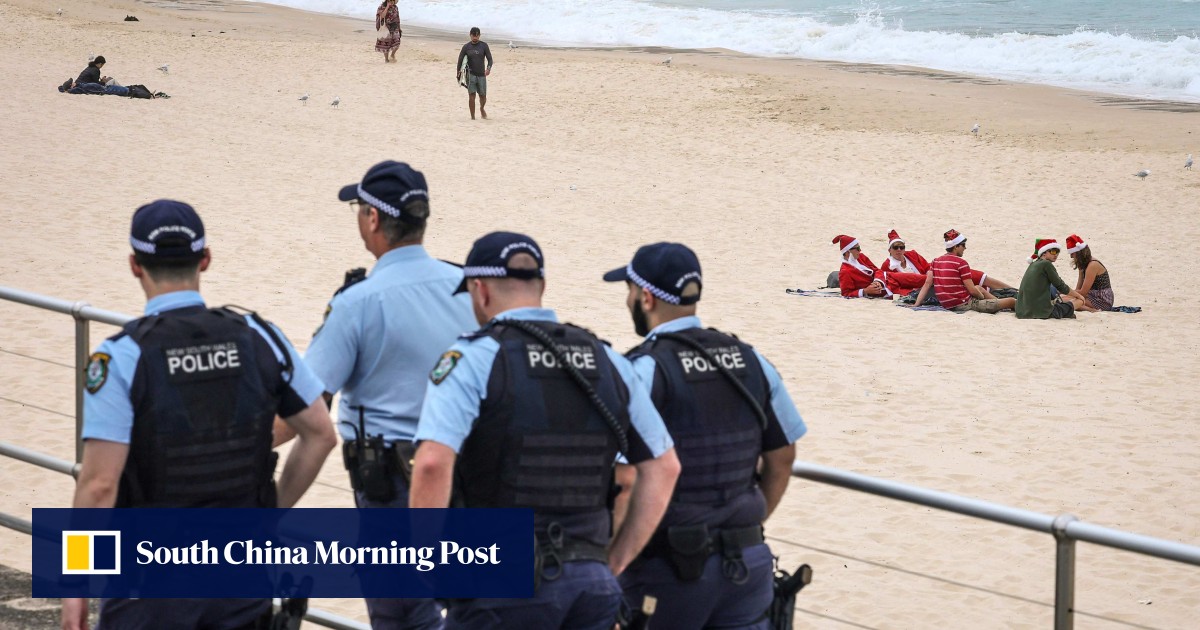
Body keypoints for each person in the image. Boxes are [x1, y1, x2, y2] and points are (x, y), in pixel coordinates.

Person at [61, 200, 337, 630]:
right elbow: (321, 434)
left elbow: (98, 485)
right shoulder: (261, 337)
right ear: (205, 259)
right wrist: (272, 512)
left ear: (135, 265)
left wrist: (75, 585)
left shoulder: (120, 357)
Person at [411, 231, 681, 630]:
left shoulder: (473, 358)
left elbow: (433, 463)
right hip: (590, 583)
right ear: (542, 286)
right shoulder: (608, 360)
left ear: (480, 290)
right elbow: (664, 466)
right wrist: (616, 561)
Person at [280, 160, 476, 629]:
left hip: (391, 486)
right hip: (467, 477)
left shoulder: (358, 302)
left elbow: (306, 408)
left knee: (402, 616)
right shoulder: (469, 288)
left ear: (372, 220)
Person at [603, 242, 807, 629]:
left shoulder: (644, 370)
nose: (628, 299)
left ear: (645, 298)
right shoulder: (750, 360)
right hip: (747, 566)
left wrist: (611, 562)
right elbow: (783, 458)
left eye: (629, 291)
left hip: (666, 570)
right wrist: (746, 525)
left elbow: (624, 481)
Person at [913, 229, 1015, 313]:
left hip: (947, 303)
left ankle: (999, 304)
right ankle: (1002, 305)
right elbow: (971, 290)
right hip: (963, 304)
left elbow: (927, 284)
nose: (965, 248)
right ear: (956, 246)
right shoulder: (961, 263)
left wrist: (916, 304)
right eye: (963, 245)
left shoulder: (935, 261)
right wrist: (980, 297)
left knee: (979, 288)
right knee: (1012, 301)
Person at [880, 229, 1014, 292]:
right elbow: (894, 284)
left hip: (933, 277)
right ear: (889, 250)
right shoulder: (887, 266)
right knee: (967, 281)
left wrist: (930, 275)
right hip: (925, 286)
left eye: (901, 247)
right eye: (895, 247)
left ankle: (1012, 290)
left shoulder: (912, 255)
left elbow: (927, 267)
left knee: (976, 276)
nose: (899, 250)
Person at [1016, 238, 1098, 319]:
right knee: (1080, 301)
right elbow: (1060, 286)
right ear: (1044, 253)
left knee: (1061, 298)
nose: (1056, 254)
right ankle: (1069, 312)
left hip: (1022, 311)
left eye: (1057, 252)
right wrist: (1079, 296)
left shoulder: (1033, 264)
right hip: (1041, 312)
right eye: (1053, 251)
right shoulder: (1046, 264)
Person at [832, 234, 925, 298]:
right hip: (884, 290)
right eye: (857, 248)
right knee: (914, 293)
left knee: (919, 279)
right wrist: (865, 291)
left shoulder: (861, 257)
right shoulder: (845, 271)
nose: (860, 250)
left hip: (888, 277)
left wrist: (878, 281)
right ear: (848, 251)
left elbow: (877, 270)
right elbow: (846, 293)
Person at [1066, 234, 1114, 311]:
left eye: (1072, 253)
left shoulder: (1092, 265)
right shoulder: (1083, 265)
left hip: (1102, 300)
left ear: (1079, 253)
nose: (1071, 256)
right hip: (1091, 296)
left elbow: (1083, 292)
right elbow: (1079, 288)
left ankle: (1091, 310)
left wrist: (1067, 292)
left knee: (1064, 300)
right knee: (1062, 298)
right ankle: (1088, 308)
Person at [456, 27, 493, 120]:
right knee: (472, 95)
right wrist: (458, 73)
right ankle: (472, 117)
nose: (475, 37)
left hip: (481, 75)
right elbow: (460, 61)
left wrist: (488, 68)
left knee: (483, 96)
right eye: (473, 35)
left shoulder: (484, 46)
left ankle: (482, 108)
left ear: (479, 35)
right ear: (470, 35)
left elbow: (490, 59)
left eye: (477, 35)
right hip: (470, 74)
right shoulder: (466, 47)